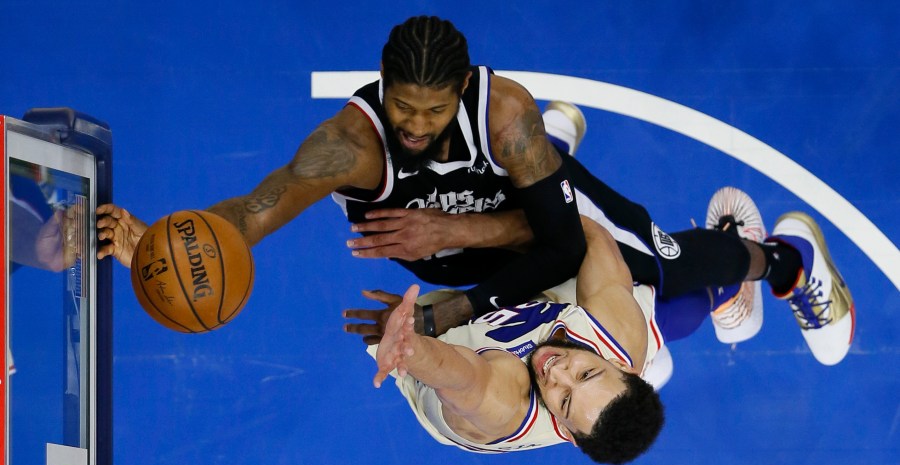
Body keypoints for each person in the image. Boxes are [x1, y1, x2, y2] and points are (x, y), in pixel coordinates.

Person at [96, 15, 854, 365]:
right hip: (471, 253)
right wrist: (172, 243)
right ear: (382, 85)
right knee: (580, 336)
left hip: (537, 221)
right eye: (402, 107)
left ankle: (782, 259)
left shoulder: (504, 112)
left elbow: (559, 242)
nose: (416, 127)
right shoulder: (348, 147)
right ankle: (546, 167)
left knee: (658, 271)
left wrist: (445, 234)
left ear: (461, 86)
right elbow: (252, 213)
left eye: (434, 109)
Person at [369, 205, 852, 465]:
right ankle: (777, 263)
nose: (557, 373)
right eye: (586, 372)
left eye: (563, 400)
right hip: (551, 309)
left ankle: (755, 276)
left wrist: (409, 344)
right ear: (623, 368)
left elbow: (461, 376)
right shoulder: (621, 341)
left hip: (453, 345)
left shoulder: (505, 404)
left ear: (569, 434)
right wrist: (538, 197)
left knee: (534, 216)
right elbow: (591, 231)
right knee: (652, 268)